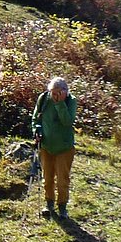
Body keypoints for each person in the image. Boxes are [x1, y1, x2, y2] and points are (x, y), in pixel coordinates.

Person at [31, 76, 76, 219]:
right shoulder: (44, 98)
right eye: (53, 93)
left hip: (64, 147)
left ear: (65, 92)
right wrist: (36, 130)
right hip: (46, 146)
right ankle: (49, 204)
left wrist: (60, 104)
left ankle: (62, 207)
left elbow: (67, 121)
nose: (54, 96)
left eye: (58, 93)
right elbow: (36, 118)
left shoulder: (71, 101)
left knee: (62, 180)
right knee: (47, 177)